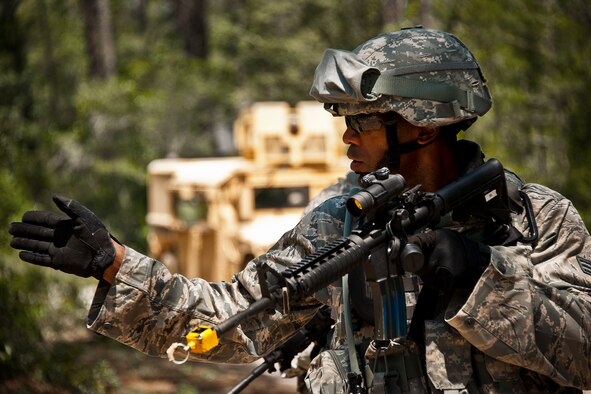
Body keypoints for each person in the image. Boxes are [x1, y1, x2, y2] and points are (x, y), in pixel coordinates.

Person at [9, 27, 591, 393]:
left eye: (363, 120)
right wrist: (114, 264)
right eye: (345, 122)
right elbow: (234, 319)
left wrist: (479, 278)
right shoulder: (340, 219)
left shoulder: (534, 221)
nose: (347, 139)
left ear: (420, 123)